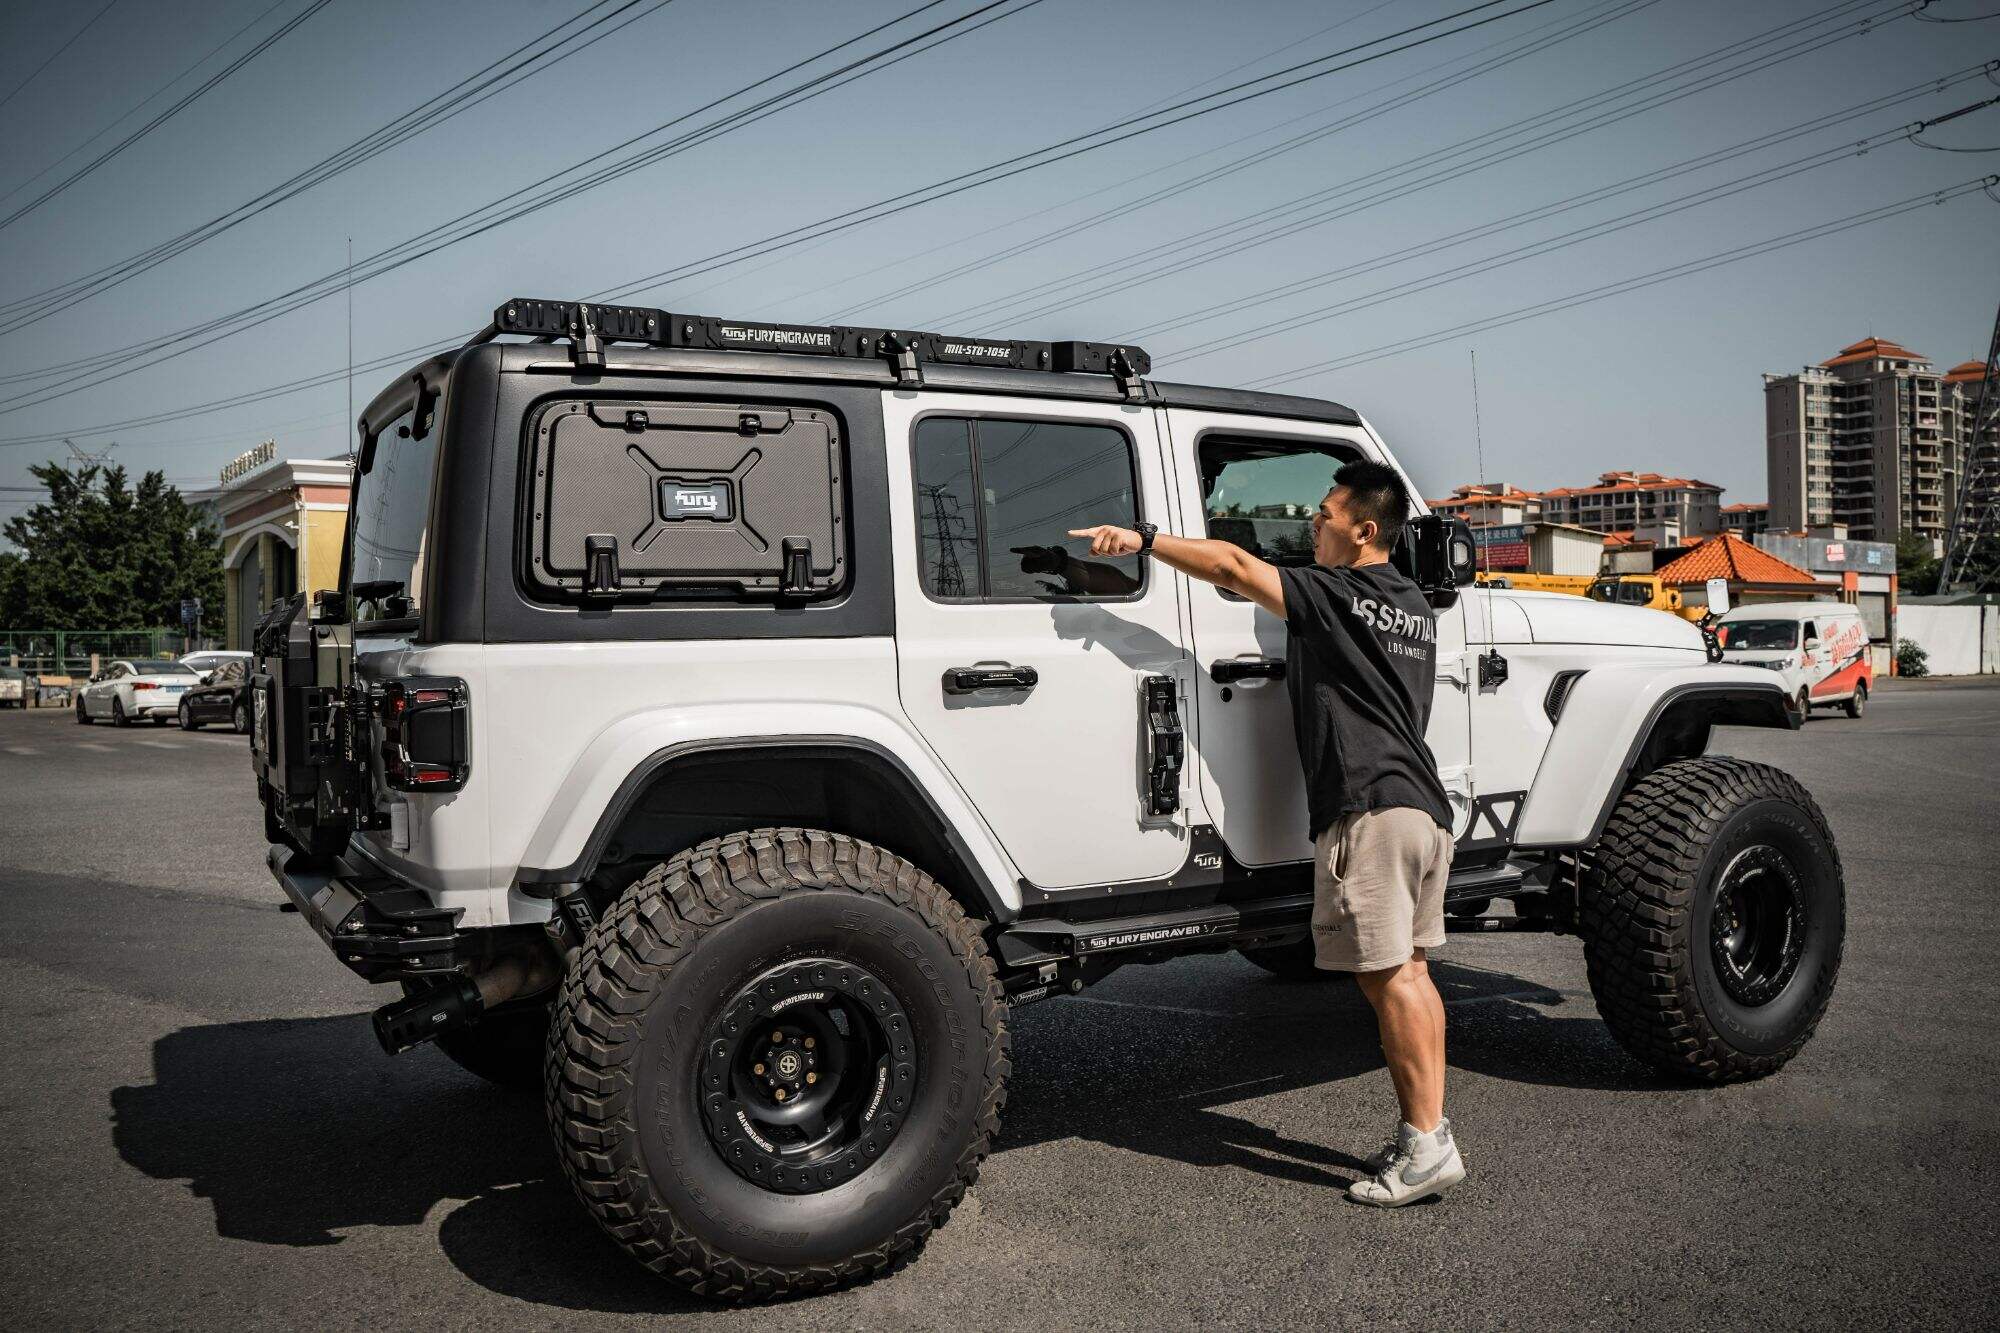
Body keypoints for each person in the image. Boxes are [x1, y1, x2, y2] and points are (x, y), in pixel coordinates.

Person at [1069, 459, 1464, 1207]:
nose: (1312, 523)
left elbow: (1232, 563)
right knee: (1410, 972)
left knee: (1389, 979)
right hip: (1423, 805)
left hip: (1371, 808)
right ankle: (1430, 1135)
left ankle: (1424, 1144)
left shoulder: (1334, 593)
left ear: (1364, 530)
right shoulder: (1410, 600)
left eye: (1325, 513)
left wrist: (1144, 538)